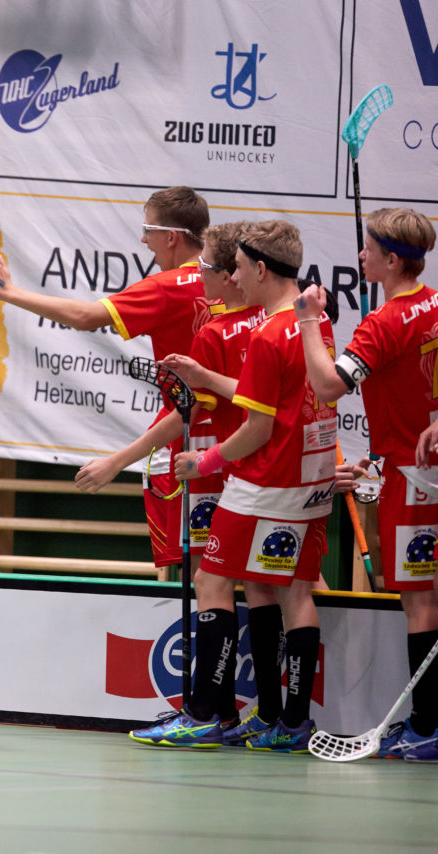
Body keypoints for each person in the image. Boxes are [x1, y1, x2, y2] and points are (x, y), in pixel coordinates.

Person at [145, 220, 334, 752]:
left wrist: (203, 462)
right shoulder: (313, 321)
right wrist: (207, 380)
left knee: (210, 582)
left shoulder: (269, 332)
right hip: (310, 478)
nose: (234, 278)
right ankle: (288, 721)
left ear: (260, 268)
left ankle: (206, 714)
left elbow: (259, 424)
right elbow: (282, 397)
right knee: (292, 590)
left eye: (240, 269)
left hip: (265, 479)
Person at [0, 187, 210, 576]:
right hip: (235, 436)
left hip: (191, 439)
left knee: (206, 581)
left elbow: (85, 316)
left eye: (147, 229)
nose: (141, 239)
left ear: (171, 237)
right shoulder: (233, 281)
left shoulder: (167, 288)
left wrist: (8, 293)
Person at [299, 207, 438, 761]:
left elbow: (329, 386)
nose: (360, 256)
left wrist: (309, 320)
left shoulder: (386, 323)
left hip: (413, 476)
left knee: (421, 604)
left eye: (368, 248)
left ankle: (427, 726)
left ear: (391, 259)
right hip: (417, 465)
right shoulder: (434, 302)